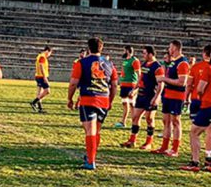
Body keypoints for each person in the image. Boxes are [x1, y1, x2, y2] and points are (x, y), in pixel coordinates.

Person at [68, 37, 119, 170]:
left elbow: (73, 83)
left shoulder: (81, 62)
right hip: (104, 99)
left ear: (88, 48)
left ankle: (91, 161)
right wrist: (111, 101)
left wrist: (70, 98)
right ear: (101, 49)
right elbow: (114, 85)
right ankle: (92, 156)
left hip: (88, 98)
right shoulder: (110, 64)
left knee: (89, 130)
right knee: (96, 130)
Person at [121, 46, 164, 150]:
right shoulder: (144, 64)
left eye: (145, 53)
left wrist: (157, 97)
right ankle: (132, 140)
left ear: (150, 54)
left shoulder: (157, 67)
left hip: (151, 96)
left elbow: (160, 84)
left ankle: (148, 142)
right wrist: (134, 89)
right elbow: (140, 79)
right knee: (135, 117)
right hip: (141, 95)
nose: (143, 55)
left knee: (149, 119)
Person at [153, 40, 190, 157]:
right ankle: (164, 146)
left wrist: (164, 79)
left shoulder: (182, 63)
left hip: (176, 96)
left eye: (170, 47)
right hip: (168, 95)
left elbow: (182, 82)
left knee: (176, 122)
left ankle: (175, 149)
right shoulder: (174, 62)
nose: (169, 50)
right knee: (166, 121)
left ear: (175, 48)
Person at [184, 45, 211, 167]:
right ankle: (208, 155)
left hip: (196, 100)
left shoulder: (196, 67)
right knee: (209, 131)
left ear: (204, 53)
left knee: (194, 131)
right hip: (210, 102)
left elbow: (189, 85)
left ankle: (195, 158)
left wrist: (186, 98)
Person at [115, 45, 140, 128]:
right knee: (125, 103)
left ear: (128, 51)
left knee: (132, 104)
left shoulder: (135, 61)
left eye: (124, 50)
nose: (123, 52)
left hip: (131, 85)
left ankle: (134, 123)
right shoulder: (125, 60)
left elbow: (139, 74)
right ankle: (123, 122)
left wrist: (136, 88)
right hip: (124, 85)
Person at [31, 46, 52, 113]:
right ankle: (34, 102)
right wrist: (44, 77)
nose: (49, 55)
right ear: (47, 51)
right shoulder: (42, 57)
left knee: (40, 92)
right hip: (41, 76)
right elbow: (41, 67)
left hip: (38, 76)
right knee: (47, 91)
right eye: (50, 53)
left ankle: (40, 108)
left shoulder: (39, 56)